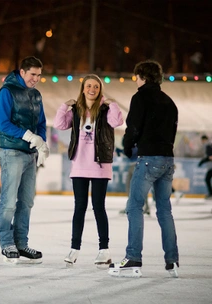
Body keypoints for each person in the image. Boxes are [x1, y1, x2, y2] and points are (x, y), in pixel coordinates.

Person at [108, 60, 179, 278]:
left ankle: (133, 257)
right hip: (167, 160)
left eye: (136, 76)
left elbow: (134, 127)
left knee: (134, 207)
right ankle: (172, 261)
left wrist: (128, 147)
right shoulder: (169, 102)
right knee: (165, 211)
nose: (135, 80)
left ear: (143, 76)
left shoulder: (140, 97)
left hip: (148, 158)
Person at [53, 74, 123, 267]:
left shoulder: (106, 109)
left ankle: (104, 250)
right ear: (83, 88)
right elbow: (59, 124)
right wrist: (64, 106)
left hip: (100, 164)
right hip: (79, 165)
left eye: (96, 86)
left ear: (100, 90)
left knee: (99, 207)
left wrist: (113, 103)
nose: (92, 89)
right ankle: (74, 249)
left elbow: (117, 122)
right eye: (89, 86)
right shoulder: (76, 110)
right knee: (79, 207)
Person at [0, 56, 49, 264]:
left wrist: (41, 143)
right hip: (11, 153)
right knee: (9, 201)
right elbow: (3, 123)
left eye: (39, 75)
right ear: (22, 72)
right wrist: (29, 136)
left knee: (26, 202)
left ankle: (21, 243)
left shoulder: (36, 95)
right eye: (33, 74)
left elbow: (42, 123)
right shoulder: (7, 91)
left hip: (30, 155)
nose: (36, 79)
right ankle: (7, 242)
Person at [198, 135, 212, 200]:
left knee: (207, 179)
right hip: (210, 167)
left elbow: (210, 157)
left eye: (202, 140)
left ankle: (211, 194)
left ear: (204, 140)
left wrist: (201, 162)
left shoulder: (208, 145)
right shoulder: (208, 145)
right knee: (207, 179)